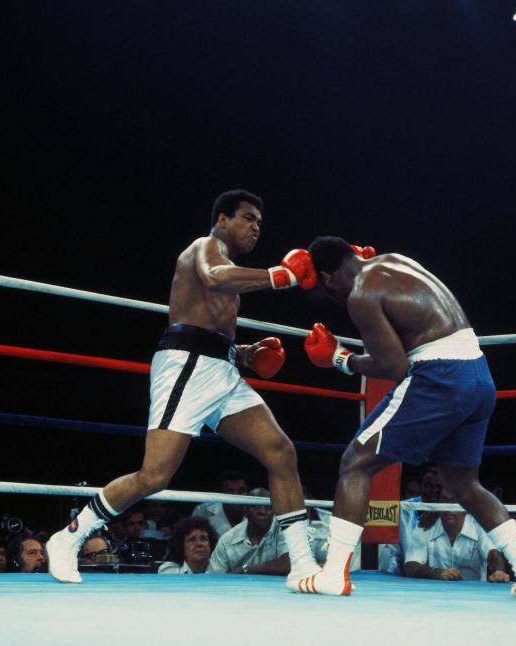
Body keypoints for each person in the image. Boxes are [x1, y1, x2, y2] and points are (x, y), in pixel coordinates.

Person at [48, 189, 321, 590]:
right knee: (154, 475)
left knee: (281, 452)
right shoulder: (204, 248)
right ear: (222, 219)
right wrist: (282, 276)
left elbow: (211, 324)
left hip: (221, 370)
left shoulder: (229, 266)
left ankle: (302, 563)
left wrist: (244, 354)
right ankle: (69, 535)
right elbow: (214, 279)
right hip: (186, 367)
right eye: (248, 218)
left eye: (259, 222)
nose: (255, 227)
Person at [290, 236, 516, 598]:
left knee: (355, 463)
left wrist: (340, 359)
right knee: (463, 483)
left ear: (328, 277)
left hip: (439, 375)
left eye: (323, 285)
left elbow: (393, 366)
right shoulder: (395, 259)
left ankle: (333, 574)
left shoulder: (361, 295)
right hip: (478, 375)